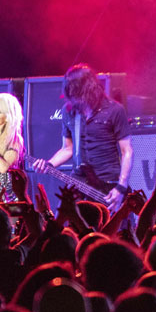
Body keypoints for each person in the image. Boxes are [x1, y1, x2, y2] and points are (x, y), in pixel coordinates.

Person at [33, 64, 133, 212]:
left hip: (108, 184)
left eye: (77, 94)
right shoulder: (69, 111)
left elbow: (127, 151)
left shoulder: (115, 110)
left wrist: (121, 187)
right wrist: (49, 164)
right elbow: (68, 149)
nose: (75, 100)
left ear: (89, 90)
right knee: (63, 218)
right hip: (79, 181)